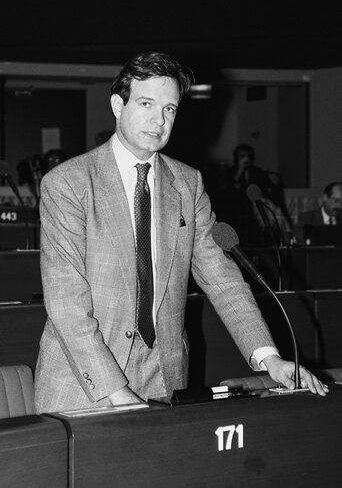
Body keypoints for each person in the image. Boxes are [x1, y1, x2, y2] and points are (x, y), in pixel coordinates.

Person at [34, 51, 327, 413]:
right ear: (117, 105)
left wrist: (271, 358)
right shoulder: (68, 183)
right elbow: (66, 303)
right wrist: (117, 393)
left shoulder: (187, 184)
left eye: (169, 109)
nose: (158, 120)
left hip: (165, 380)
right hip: (84, 386)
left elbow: (223, 280)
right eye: (146, 103)